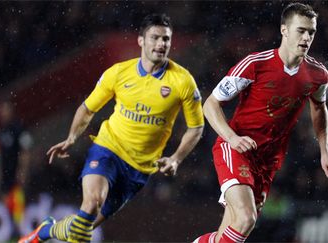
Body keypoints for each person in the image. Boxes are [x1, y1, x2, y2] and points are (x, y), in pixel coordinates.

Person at [19, 13, 204, 243]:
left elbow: (196, 128)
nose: (160, 44)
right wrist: (71, 138)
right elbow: (87, 109)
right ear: (141, 41)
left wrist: (176, 158)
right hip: (108, 149)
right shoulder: (118, 73)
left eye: (165, 39)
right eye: (155, 37)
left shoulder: (183, 81)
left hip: (139, 169)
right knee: (91, 204)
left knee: (82, 227)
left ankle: (44, 231)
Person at [194, 3, 328, 243]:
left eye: (311, 33)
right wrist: (232, 138)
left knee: (231, 230)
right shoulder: (255, 64)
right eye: (301, 30)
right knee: (246, 219)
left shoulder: (317, 74)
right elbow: (210, 104)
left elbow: (319, 107)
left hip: (268, 160)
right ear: (284, 30)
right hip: (236, 148)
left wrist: (326, 150)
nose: (306, 38)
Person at [0, 101, 32, 228]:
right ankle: (9, 229)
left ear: (11, 110)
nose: (2, 113)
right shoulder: (1, 131)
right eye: (0, 110)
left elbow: (26, 151)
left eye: (5, 110)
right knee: (5, 203)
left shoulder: (19, 128)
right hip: (5, 175)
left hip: (16, 173)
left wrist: (23, 171)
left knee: (18, 203)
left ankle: (20, 230)